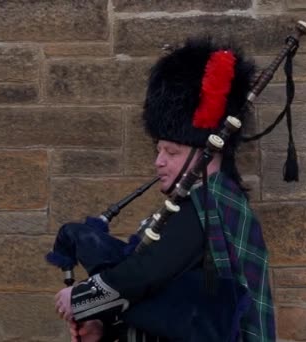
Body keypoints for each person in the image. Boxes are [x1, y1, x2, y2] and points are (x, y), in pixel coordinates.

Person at [53, 37, 276, 342]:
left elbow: (147, 273)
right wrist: (103, 329)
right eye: (158, 151)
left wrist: (81, 299)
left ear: (206, 152)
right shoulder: (199, 203)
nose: (159, 162)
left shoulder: (211, 206)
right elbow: (169, 306)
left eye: (171, 153)